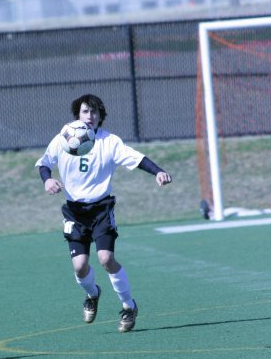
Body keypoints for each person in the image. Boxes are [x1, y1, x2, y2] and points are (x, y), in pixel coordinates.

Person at [35, 94, 172, 332]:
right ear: (78, 114)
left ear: (101, 116)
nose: (90, 116)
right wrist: (47, 180)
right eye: (86, 111)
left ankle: (129, 307)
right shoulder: (64, 138)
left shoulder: (110, 142)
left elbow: (136, 159)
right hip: (74, 211)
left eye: (95, 112)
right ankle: (92, 294)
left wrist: (158, 171)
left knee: (106, 259)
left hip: (101, 208)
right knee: (80, 266)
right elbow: (44, 163)